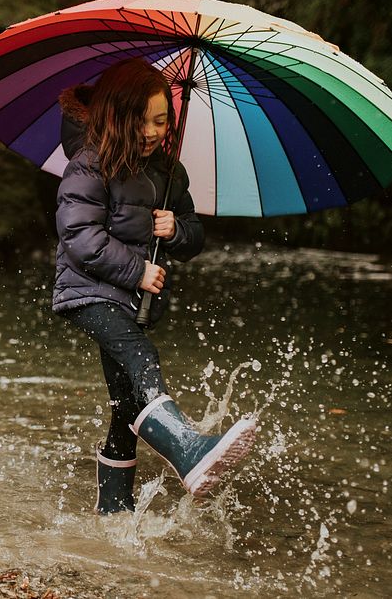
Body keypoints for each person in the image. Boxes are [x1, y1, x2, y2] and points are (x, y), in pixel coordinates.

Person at [53, 57, 256, 514]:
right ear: (117, 117)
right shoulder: (89, 164)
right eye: (141, 121)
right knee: (141, 356)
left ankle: (113, 513)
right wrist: (138, 271)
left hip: (128, 299)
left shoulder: (169, 173)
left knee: (125, 405)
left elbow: (193, 239)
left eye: (161, 121)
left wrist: (175, 229)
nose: (151, 131)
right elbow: (80, 238)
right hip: (87, 293)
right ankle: (187, 448)